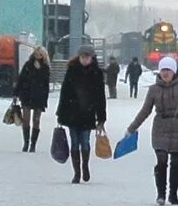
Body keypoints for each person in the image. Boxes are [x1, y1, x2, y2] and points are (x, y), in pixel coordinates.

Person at [126, 56, 178, 206]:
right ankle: (161, 193)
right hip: (160, 127)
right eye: (163, 70)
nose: (166, 73)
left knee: (177, 162)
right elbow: (145, 111)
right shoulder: (154, 89)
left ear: (174, 71)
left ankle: (173, 194)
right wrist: (132, 128)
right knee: (161, 160)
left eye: (169, 70)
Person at [56, 45, 107, 184]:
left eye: (87, 57)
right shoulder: (72, 70)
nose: (85, 59)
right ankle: (76, 172)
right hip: (73, 113)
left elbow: (100, 97)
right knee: (74, 143)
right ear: (79, 57)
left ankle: (85, 165)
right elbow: (64, 93)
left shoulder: (96, 73)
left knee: (85, 142)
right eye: (83, 57)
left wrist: (101, 118)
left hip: (88, 113)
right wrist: (60, 113)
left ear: (92, 58)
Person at [12, 45, 52, 152]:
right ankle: (26, 142)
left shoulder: (45, 68)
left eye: (40, 54)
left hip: (39, 97)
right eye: (36, 54)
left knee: (36, 120)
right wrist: (16, 93)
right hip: (27, 95)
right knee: (26, 119)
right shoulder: (28, 65)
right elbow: (21, 79)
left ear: (43, 56)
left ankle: (33, 144)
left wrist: (45, 99)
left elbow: (46, 85)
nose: (38, 56)